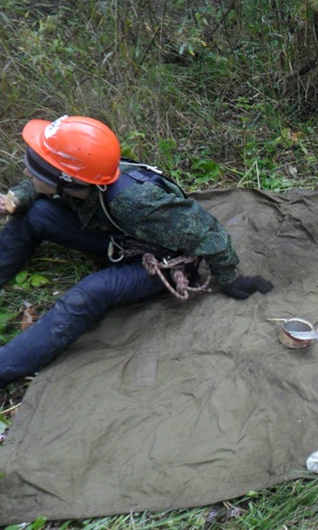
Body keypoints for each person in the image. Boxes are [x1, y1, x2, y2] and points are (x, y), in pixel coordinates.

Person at [0, 115, 273, 389]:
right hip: (118, 237)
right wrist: (20, 197)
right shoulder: (85, 173)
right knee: (34, 213)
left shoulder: (134, 201)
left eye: (34, 170)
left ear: (68, 181)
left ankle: (5, 366)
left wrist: (229, 278)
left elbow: (207, 232)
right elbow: (42, 181)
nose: (26, 173)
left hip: (162, 260)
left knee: (92, 292)